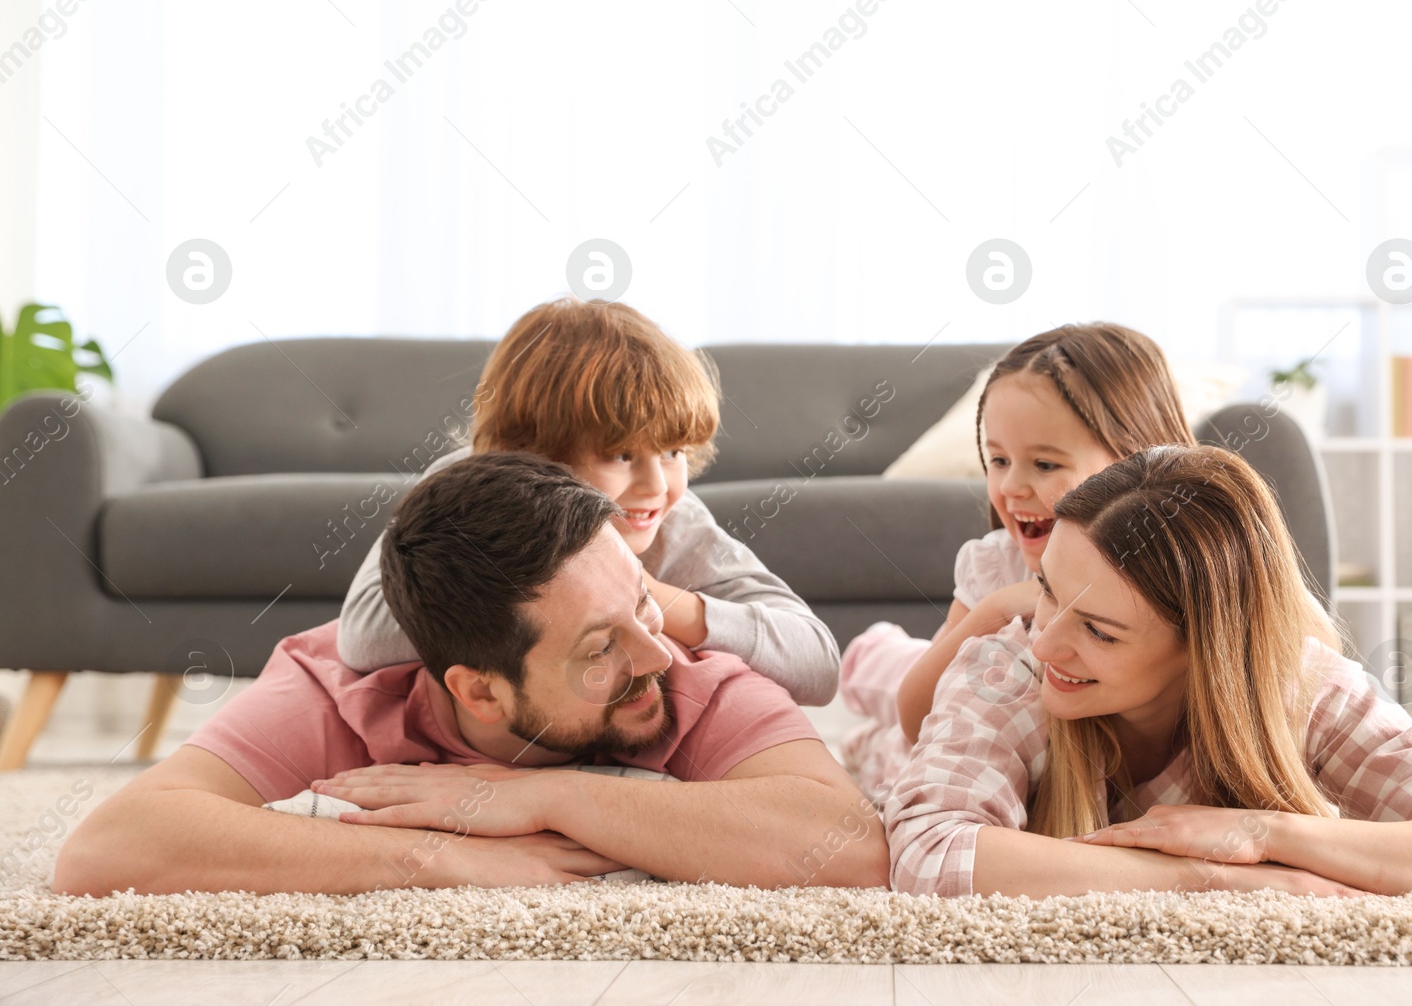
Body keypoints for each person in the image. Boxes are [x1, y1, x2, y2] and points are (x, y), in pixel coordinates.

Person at [54, 453, 886, 896]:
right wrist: (435, 858)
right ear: (478, 690)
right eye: (598, 648)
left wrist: (543, 797)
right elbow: (107, 850)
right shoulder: (334, 685)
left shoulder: (679, 670)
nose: (653, 653)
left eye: (643, 603)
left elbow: (850, 847)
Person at [886, 445, 1412, 897]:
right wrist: (1210, 878)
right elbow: (929, 852)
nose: (1045, 642)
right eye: (1047, 588)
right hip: (898, 744)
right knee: (881, 698)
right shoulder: (1005, 663)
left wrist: (1267, 835)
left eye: (1099, 630)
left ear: (1207, 649)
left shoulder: (1303, 685)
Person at [340, 295, 839, 706]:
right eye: (620, 455)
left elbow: (817, 665)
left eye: (672, 451)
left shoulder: (674, 522)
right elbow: (363, 636)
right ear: (529, 455)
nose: (657, 485)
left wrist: (641, 594)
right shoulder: (462, 490)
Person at [838, 324, 1197, 801]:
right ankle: (869, 655)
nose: (1009, 487)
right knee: (885, 693)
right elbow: (915, 715)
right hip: (952, 732)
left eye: (1045, 465)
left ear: (1136, 462)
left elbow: (1302, 646)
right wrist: (997, 609)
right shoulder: (997, 567)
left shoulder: (1195, 564)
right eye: (999, 460)